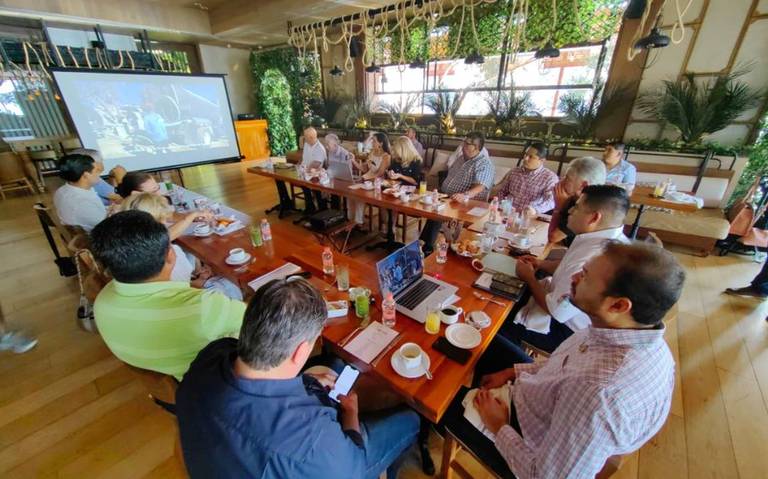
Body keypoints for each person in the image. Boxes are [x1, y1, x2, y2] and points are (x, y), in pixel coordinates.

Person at [442, 242, 684, 479]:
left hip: (525, 437)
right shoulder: (629, 334)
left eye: (586, 276)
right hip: (538, 397)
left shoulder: (598, 393)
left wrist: (499, 425)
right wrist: (512, 371)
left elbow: (542, 475)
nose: (575, 276)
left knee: (435, 402)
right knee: (479, 340)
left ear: (619, 305)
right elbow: (563, 365)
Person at [176, 277, 420, 479]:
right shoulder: (313, 442)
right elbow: (352, 465)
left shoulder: (210, 356)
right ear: (301, 351)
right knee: (410, 419)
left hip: (222, 454)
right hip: (338, 465)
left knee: (333, 365)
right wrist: (351, 413)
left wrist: (306, 383)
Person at [90, 210, 245, 380]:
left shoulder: (103, 298)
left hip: (168, 376)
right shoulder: (204, 307)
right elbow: (262, 321)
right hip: (212, 383)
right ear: (171, 255)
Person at [505, 185, 631, 352]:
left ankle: (511, 363)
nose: (570, 210)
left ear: (594, 218)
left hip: (567, 332)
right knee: (509, 287)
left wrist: (529, 277)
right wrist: (541, 264)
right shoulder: (602, 237)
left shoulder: (596, 256)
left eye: (577, 207)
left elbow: (556, 311)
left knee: (497, 317)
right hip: (560, 306)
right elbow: (568, 267)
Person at [119, 193, 241, 300]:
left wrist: (195, 278)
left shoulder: (132, 245)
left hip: (178, 290)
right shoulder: (163, 252)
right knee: (231, 284)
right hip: (186, 297)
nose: (166, 222)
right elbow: (177, 290)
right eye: (163, 219)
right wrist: (200, 282)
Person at [420, 132, 495, 256]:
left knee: (438, 214)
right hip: (448, 198)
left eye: (466, 143)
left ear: (475, 147)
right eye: (464, 142)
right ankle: (424, 245)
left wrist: (465, 195)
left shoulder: (484, 163)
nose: (462, 145)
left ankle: (428, 247)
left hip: (466, 204)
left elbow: (480, 186)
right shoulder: (461, 158)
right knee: (433, 212)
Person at [549, 156, 607, 245]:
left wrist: (558, 208)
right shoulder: (573, 199)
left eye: (567, 178)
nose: (561, 181)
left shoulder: (588, 207)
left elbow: (553, 237)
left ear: (583, 185)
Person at [492, 142, 559, 216]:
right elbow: (502, 191)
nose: (525, 158)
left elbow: (551, 201)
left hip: (529, 216)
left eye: (531, 157)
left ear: (542, 160)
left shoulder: (549, 177)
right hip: (507, 213)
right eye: (526, 154)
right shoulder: (514, 171)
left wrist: (535, 210)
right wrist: (501, 204)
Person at [52, 153, 107, 232]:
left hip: (91, 230)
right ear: (86, 175)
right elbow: (107, 226)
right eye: (96, 171)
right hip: (98, 237)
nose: (99, 173)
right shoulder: (81, 201)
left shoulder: (62, 190)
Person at [299, 126, 327, 214]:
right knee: (302, 184)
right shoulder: (307, 144)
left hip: (317, 175)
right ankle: (310, 207)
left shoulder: (320, 148)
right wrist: (300, 167)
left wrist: (306, 170)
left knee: (313, 187)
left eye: (305, 136)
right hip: (306, 172)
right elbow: (304, 159)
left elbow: (316, 164)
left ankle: (321, 209)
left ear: (311, 138)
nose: (304, 138)